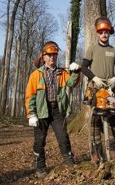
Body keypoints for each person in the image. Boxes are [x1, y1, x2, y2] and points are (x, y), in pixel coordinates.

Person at [25, 41, 81, 178]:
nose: (52, 58)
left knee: (63, 137)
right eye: (49, 55)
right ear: (43, 57)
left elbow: (72, 83)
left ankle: (69, 162)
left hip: (57, 110)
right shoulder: (36, 75)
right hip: (41, 111)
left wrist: (75, 72)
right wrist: (31, 114)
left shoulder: (62, 73)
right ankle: (40, 167)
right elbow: (29, 96)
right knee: (39, 140)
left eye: (54, 55)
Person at [81, 16, 115, 165]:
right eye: (101, 32)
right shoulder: (92, 49)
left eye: (106, 32)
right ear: (97, 33)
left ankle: (113, 151)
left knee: (113, 121)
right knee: (95, 122)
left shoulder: (114, 51)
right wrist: (94, 78)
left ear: (110, 33)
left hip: (110, 90)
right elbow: (84, 67)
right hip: (96, 89)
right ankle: (96, 154)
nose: (104, 35)